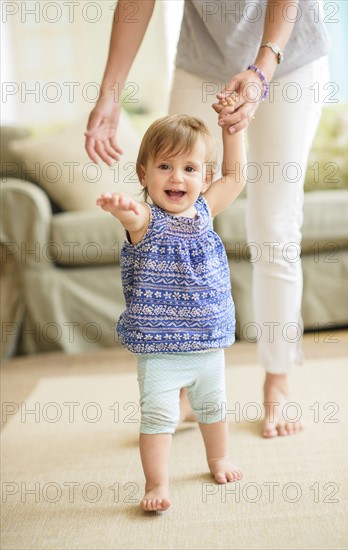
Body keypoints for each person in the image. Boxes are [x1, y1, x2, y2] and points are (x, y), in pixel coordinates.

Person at [85, 0, 331, 438]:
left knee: (274, 230)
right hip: (202, 57)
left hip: (287, 57)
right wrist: (109, 93)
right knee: (174, 220)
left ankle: (278, 382)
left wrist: (261, 69)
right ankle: (182, 389)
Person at [96, 111, 246, 511]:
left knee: (214, 409)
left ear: (204, 176)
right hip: (161, 352)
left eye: (189, 168)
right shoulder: (147, 220)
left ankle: (219, 459)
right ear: (144, 174)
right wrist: (120, 207)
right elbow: (133, 214)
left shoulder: (205, 212)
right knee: (159, 418)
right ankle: (156, 484)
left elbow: (235, 178)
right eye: (164, 166)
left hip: (208, 343)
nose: (177, 177)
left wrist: (235, 132)